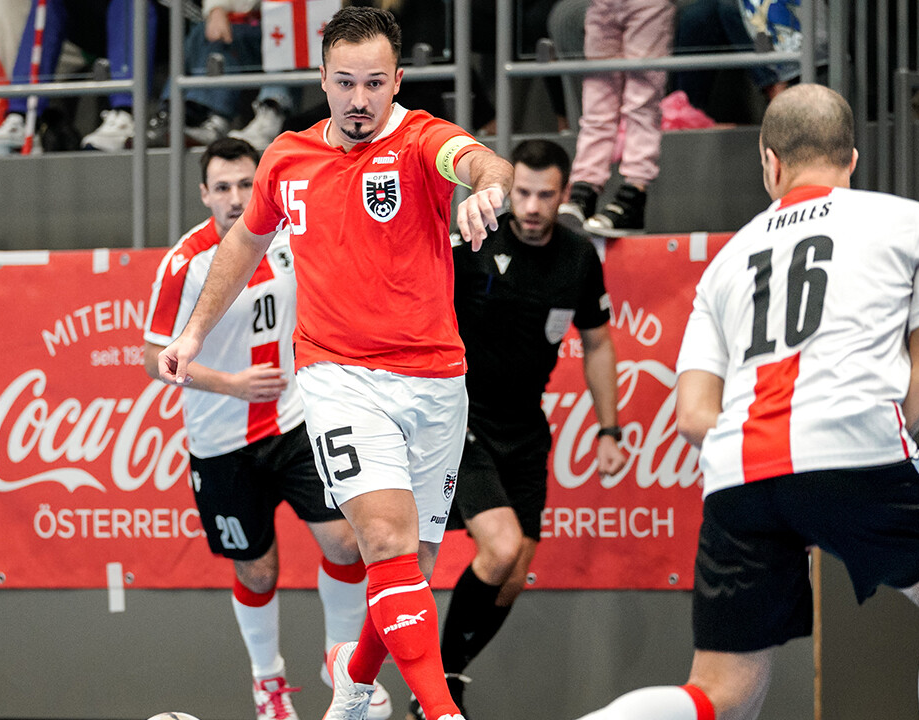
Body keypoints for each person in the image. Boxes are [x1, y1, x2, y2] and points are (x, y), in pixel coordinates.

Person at [575, 83, 919, 720]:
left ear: (769, 161)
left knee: (721, 695)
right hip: (859, 442)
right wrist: (868, 440)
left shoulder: (725, 261)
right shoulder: (910, 221)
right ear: (853, 158)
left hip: (741, 473)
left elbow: (690, 417)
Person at [155, 7, 514, 720]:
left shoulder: (419, 140)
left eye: (375, 83)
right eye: (344, 82)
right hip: (338, 377)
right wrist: (193, 332)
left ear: (397, 81)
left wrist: (491, 190)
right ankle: (441, 714)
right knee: (379, 537)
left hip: (437, 381)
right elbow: (242, 247)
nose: (358, 98)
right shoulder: (286, 157)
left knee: (406, 569)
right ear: (322, 79)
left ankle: (352, 688)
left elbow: (478, 160)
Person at [142, 137, 392, 720]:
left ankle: (342, 664)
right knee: (257, 567)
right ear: (204, 194)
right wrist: (230, 384)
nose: (234, 198)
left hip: (297, 424)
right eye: (222, 187)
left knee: (347, 541)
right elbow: (152, 358)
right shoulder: (185, 263)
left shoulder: (291, 237)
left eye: (244, 185)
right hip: (221, 443)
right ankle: (267, 681)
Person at [411, 139, 628, 720]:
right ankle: (441, 691)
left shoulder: (580, 257)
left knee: (513, 573)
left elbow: (600, 342)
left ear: (565, 196)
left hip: (526, 427)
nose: (531, 207)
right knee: (500, 546)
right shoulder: (475, 242)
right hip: (462, 417)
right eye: (522, 193)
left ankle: (439, 682)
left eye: (545, 195)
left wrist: (610, 431)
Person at [0, 0, 159, 155]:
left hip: (165, 17)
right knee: (49, 2)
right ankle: (24, 118)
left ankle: (126, 116)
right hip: (96, 18)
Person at [558, 0, 675, 237]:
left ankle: (633, 195)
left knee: (641, 103)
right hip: (601, 5)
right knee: (596, 106)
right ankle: (583, 191)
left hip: (647, 4)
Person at [147, 0, 295, 150]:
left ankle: (270, 110)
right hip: (248, 27)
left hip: (291, 26)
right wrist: (217, 9)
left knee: (286, 24)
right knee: (205, 30)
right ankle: (179, 116)